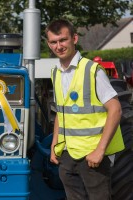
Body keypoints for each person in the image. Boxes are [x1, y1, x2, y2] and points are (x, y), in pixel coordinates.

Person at [46, 19, 124, 200]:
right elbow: (61, 112)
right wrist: (54, 145)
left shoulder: (92, 70)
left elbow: (116, 110)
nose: (59, 46)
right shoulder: (55, 73)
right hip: (67, 155)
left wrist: (99, 151)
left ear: (74, 38)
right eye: (53, 42)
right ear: (49, 44)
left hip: (92, 156)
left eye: (63, 40)